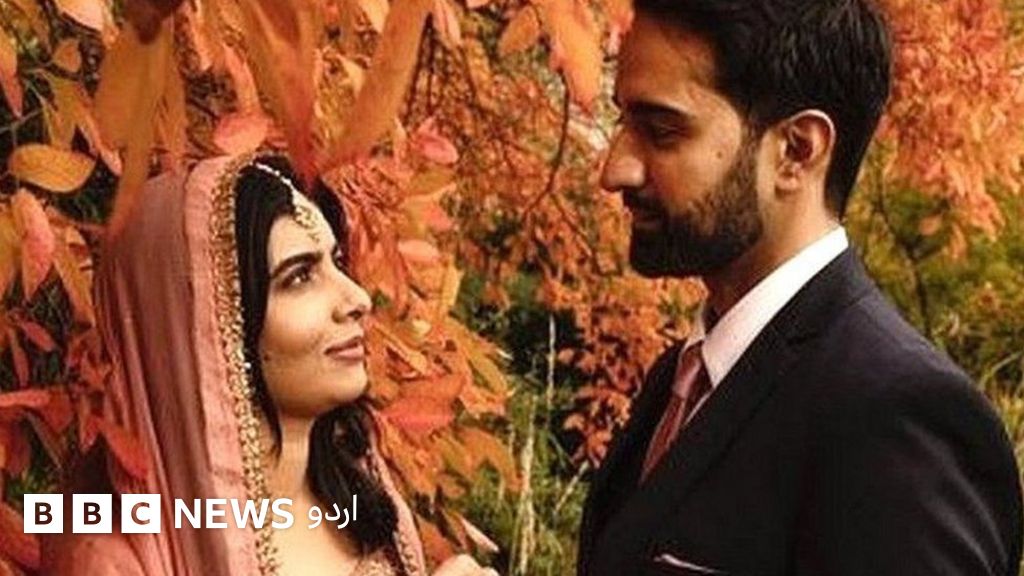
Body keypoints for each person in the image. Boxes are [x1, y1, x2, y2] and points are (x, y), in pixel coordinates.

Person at [578, 1, 1023, 575]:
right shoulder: (680, 381)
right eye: (622, 121)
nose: (615, 169)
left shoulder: (898, 417)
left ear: (797, 150)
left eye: (662, 131)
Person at [44, 154, 496, 576]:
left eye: (337, 263)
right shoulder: (105, 548)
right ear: (204, 327)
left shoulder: (354, 496)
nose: (357, 298)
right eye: (299, 276)